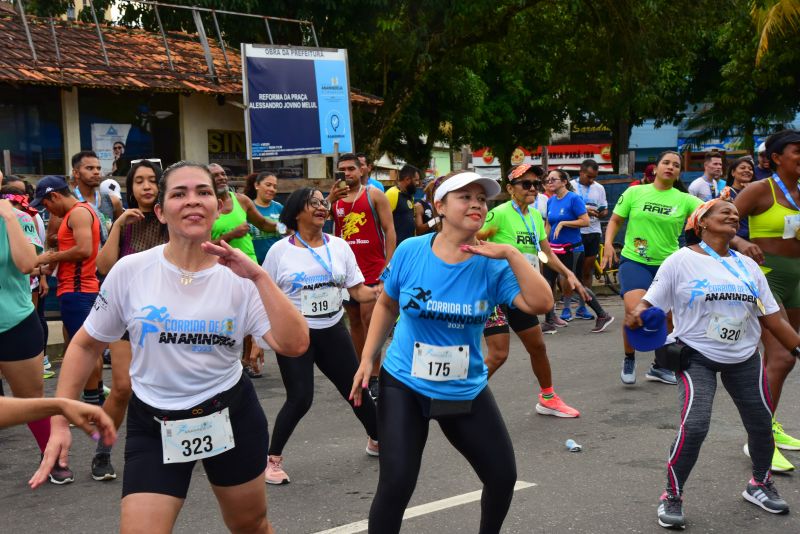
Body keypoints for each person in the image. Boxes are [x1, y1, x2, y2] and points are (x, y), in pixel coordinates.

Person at [31, 162, 309, 534]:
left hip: (230, 415)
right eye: (179, 194)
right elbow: (85, 344)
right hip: (155, 422)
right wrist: (59, 419)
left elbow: (294, 345)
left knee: (250, 526)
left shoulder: (242, 275)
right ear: (160, 211)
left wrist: (259, 276)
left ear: (219, 205)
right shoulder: (131, 271)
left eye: (203, 192)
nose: (192, 201)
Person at [350, 171, 553, 534]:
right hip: (405, 384)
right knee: (396, 485)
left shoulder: (493, 264)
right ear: (440, 207)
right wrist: (368, 359)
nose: (476, 203)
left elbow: (540, 303)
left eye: (482, 198)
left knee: (503, 477)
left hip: (463, 389)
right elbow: (387, 305)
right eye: (465, 196)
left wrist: (509, 253)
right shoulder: (412, 251)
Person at [626, 199, 800, 529]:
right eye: (723, 211)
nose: (733, 214)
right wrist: (638, 314)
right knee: (695, 425)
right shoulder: (681, 261)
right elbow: (650, 302)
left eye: (736, 213)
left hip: (744, 357)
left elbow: (773, 318)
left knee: (762, 423)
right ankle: (671, 495)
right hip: (697, 356)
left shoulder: (748, 267)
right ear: (701, 222)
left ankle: (759, 484)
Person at [261, 188, 379, 485]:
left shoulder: (339, 246)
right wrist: (258, 341)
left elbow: (357, 291)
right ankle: (272, 460)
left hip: (332, 329)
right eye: (313, 203)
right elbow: (261, 296)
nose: (321, 207)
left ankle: (378, 439)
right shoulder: (280, 252)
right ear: (297, 211)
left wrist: (381, 291)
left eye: (323, 202)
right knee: (300, 398)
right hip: (296, 334)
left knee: (356, 389)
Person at [479, 164, 588, 417]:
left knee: (538, 346)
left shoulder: (535, 216)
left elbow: (545, 253)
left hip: (522, 293)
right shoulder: (499, 214)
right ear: (510, 189)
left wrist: (568, 273)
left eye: (536, 184)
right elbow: (473, 242)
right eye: (525, 184)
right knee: (498, 354)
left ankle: (548, 398)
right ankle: (461, 397)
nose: (532, 188)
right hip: (494, 294)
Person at [92, 160, 168, 482]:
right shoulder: (123, 221)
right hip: (125, 313)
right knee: (122, 386)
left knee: (165, 385)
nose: (147, 186)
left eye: (153, 180)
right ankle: (102, 450)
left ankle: (171, 449)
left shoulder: (172, 218)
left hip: (166, 315)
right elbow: (104, 266)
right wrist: (120, 222)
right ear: (131, 187)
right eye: (140, 181)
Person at [730, 129, 800, 472]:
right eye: (797, 151)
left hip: (797, 280)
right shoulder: (761, 189)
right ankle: (759, 439)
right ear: (776, 157)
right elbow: (716, 220)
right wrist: (741, 244)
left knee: (780, 361)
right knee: (784, 357)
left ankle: (768, 424)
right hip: (767, 279)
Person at [602, 150, 703, 385]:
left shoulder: (685, 200)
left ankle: (659, 365)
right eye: (665, 163)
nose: (670, 167)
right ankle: (629, 357)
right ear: (655, 168)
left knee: (667, 317)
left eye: (675, 165)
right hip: (635, 261)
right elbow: (616, 220)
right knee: (634, 311)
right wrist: (608, 244)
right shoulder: (635, 192)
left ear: (679, 172)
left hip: (668, 265)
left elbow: (710, 212)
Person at [0, 175, 74, 485]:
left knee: (31, 399)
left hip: (15, 323)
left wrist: (6, 215)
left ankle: (52, 457)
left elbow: (26, 263)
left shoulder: (18, 216)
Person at [32, 176, 105, 408]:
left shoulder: (78, 213)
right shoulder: (76, 213)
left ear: (54, 196)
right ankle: (95, 401)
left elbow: (83, 250)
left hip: (78, 291)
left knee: (84, 350)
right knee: (85, 348)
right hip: (77, 290)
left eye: (46, 204)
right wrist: (44, 266)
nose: (47, 209)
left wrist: (51, 257)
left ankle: (91, 405)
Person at [330, 153, 396, 400]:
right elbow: (322, 228)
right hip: (347, 271)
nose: (346, 174)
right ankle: (363, 370)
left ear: (361, 170)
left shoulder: (373, 194)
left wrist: (388, 268)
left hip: (372, 268)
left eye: (350, 169)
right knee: (355, 322)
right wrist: (328, 199)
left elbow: (389, 230)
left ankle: (376, 375)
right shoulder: (334, 200)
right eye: (342, 170)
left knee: (371, 321)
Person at [543, 169, 614, 332]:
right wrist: (544, 242)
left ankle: (602, 314)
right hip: (553, 250)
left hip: (572, 250)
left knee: (575, 285)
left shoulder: (574, 199)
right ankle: (549, 320)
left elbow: (585, 221)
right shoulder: (551, 200)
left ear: (564, 182)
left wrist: (564, 223)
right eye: (548, 180)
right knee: (547, 283)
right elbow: (548, 223)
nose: (550, 182)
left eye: (553, 179)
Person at [208, 163, 279, 263]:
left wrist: (285, 227)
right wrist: (231, 235)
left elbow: (263, 224)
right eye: (215, 175)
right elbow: (203, 248)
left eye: (223, 174)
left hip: (249, 265)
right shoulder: (204, 207)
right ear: (207, 180)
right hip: (222, 268)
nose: (221, 178)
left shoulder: (242, 200)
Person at [569, 159, 608, 320]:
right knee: (571, 272)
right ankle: (566, 307)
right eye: (589, 177)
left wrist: (600, 213)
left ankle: (583, 307)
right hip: (575, 233)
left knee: (587, 271)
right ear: (581, 173)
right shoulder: (570, 186)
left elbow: (605, 209)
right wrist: (584, 211)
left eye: (594, 177)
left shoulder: (599, 188)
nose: (592, 180)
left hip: (593, 232)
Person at [70, 150, 124, 241]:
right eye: (90, 168)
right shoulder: (67, 201)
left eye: (98, 168)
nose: (96, 172)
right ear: (76, 173)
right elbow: (51, 237)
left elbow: (121, 234)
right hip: (80, 254)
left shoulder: (113, 202)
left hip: (108, 255)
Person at [247, 172, 283, 265]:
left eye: (275, 187)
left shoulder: (279, 208)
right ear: (256, 185)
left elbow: (286, 231)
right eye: (268, 185)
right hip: (253, 264)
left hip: (276, 263)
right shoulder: (247, 208)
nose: (272, 189)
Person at [720, 156, 755, 240]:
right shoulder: (726, 193)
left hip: (756, 238)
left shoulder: (756, 191)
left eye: (750, 169)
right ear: (733, 173)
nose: (747, 170)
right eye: (742, 168)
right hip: (736, 239)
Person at [385, 164, 421, 245]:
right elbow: (382, 223)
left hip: (409, 246)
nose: (418, 183)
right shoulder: (392, 194)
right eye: (416, 180)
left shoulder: (409, 196)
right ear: (407, 179)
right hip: (396, 248)